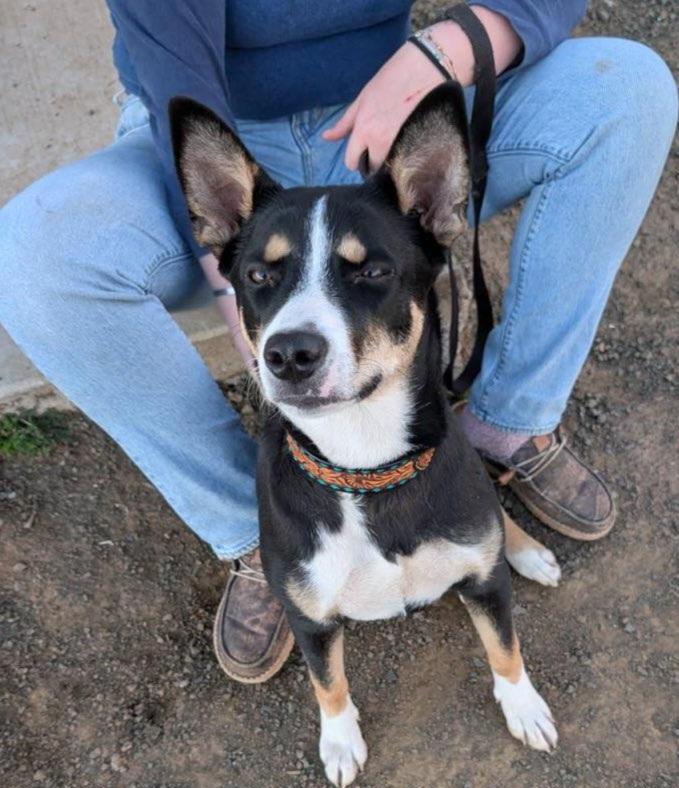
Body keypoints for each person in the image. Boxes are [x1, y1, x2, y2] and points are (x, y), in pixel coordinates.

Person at [0, 2, 676, 684]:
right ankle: (261, 536)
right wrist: (237, 279)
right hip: (218, 134)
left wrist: (440, 54)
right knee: (33, 256)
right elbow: (175, 63)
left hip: (389, 112)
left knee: (625, 88)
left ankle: (507, 426)